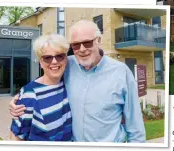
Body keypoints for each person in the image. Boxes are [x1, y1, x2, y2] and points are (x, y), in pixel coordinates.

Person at [9, 20, 145, 142]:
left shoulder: (121, 72)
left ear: (98, 40)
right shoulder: (67, 64)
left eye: (87, 42)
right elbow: (47, 78)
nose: (82, 49)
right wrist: (22, 97)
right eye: (75, 45)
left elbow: (135, 126)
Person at [10, 34, 72, 141]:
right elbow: (16, 137)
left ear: (66, 59)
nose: (54, 61)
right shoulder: (30, 94)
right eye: (47, 58)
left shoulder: (67, 82)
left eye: (59, 56)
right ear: (40, 63)